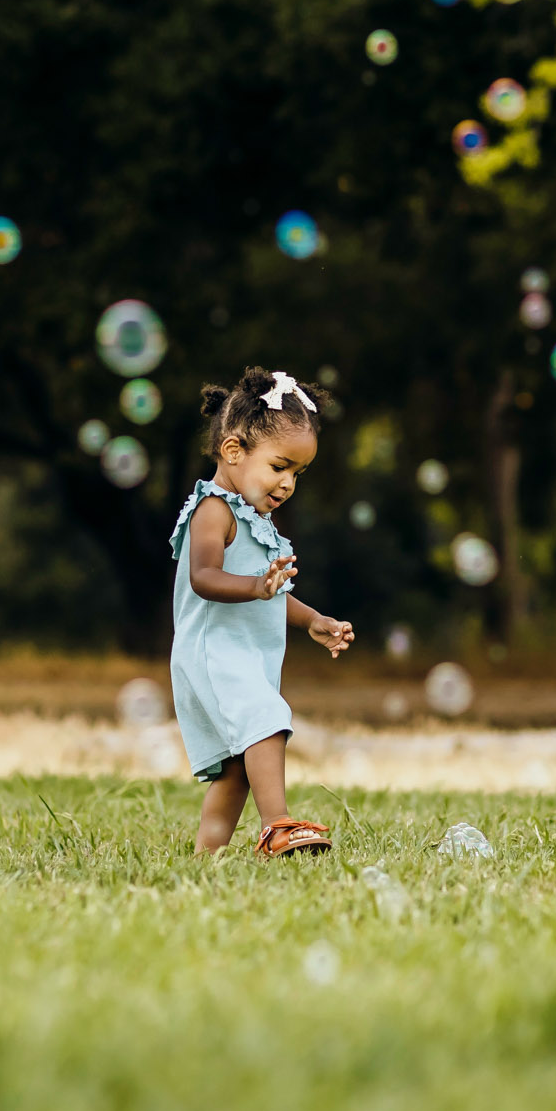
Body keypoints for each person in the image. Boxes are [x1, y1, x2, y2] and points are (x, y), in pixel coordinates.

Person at [168, 367, 355, 856]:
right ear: (233, 451)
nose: (288, 483)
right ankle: (278, 827)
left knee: (236, 770)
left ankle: (204, 860)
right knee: (268, 718)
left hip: (242, 656)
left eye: (298, 473)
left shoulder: (254, 518)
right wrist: (256, 586)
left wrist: (313, 619)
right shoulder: (214, 511)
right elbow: (203, 577)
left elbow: (271, 593)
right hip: (214, 653)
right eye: (279, 466)